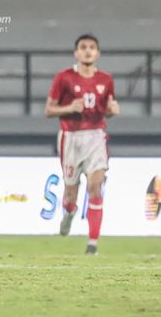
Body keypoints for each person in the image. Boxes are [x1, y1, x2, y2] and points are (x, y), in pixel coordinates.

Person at [45, 33, 120, 255]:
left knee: (95, 186)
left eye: (92, 47)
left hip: (96, 136)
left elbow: (106, 108)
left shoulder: (106, 79)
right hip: (71, 138)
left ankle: (92, 244)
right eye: (83, 47)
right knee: (70, 194)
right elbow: (49, 110)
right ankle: (68, 212)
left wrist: (111, 111)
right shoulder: (64, 77)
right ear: (76, 53)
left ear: (98, 53)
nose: (88, 51)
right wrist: (69, 108)